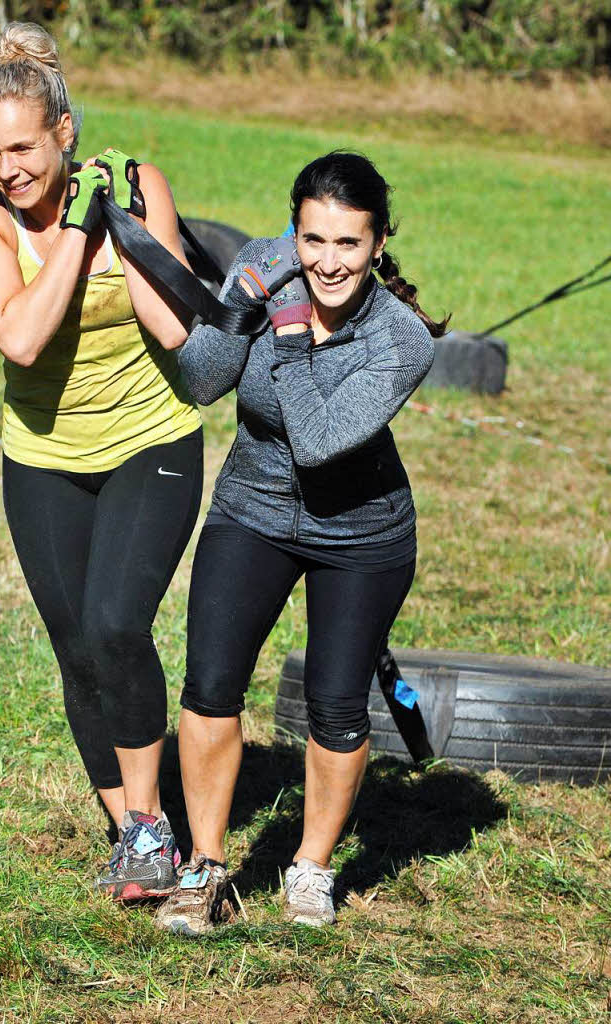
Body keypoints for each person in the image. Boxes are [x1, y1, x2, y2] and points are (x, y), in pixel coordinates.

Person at [154, 151, 448, 934]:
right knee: (210, 686)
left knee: (335, 707)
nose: (326, 262)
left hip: (361, 533)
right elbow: (201, 381)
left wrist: (282, 333)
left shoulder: (402, 339)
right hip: (250, 508)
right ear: (293, 231)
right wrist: (242, 301)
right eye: (311, 240)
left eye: (348, 244)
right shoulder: (261, 267)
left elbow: (317, 440)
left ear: (379, 243)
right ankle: (205, 869)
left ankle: (311, 869)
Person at [0, 22, 203, 901]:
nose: (4, 167)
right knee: (76, 650)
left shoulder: (137, 186)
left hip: (150, 439)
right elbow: (19, 336)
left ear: (64, 132)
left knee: (114, 627)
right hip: (43, 454)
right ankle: (136, 831)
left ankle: (147, 832)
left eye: (21, 145)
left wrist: (116, 227)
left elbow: (174, 329)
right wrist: (71, 237)